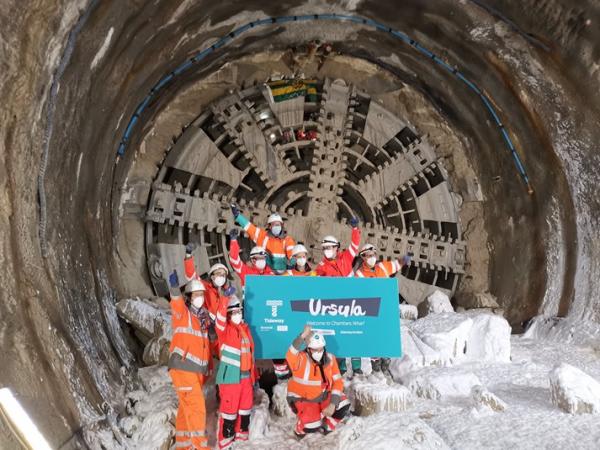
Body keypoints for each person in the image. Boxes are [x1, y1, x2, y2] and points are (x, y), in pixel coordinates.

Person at [167, 271, 215, 450]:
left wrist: (208, 369)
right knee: (196, 407)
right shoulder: (184, 314)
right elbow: (176, 303)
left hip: (194, 372)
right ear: (188, 297)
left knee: (186, 408)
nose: (200, 298)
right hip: (183, 368)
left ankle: (184, 445)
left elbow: (204, 349)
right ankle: (200, 447)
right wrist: (174, 288)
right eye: (196, 295)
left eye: (202, 294)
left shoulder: (202, 320)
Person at [286, 324, 350, 438]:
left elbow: (338, 382)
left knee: (342, 404)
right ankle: (299, 430)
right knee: (312, 425)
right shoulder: (300, 359)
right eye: (315, 350)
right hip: (302, 399)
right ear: (308, 349)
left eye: (321, 349)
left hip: (323, 395)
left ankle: (327, 426)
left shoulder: (330, 358)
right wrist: (303, 336)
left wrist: (332, 404)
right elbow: (290, 354)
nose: (318, 352)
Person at [315, 217, 362, 374]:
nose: (327, 250)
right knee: (340, 335)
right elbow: (314, 282)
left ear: (336, 248)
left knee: (355, 334)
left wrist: (355, 229)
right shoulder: (322, 266)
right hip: (336, 307)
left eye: (330, 247)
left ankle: (357, 368)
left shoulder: (346, 257)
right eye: (325, 248)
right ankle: (341, 367)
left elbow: (355, 246)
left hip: (352, 302)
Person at [355, 243, 411, 373]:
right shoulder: (359, 274)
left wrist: (407, 257)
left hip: (385, 310)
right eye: (368, 255)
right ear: (363, 257)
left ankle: (386, 365)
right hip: (371, 311)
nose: (372, 257)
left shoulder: (382, 267)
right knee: (374, 338)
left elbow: (396, 265)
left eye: (373, 254)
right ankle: (376, 366)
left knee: (385, 337)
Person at [214, 293, 256, 449]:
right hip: (231, 378)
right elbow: (218, 320)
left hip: (246, 378)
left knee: (245, 408)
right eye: (234, 312)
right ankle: (225, 441)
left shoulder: (245, 329)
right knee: (229, 411)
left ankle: (241, 437)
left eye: (239, 311)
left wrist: (253, 376)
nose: (237, 314)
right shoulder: (224, 331)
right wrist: (224, 300)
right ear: (228, 314)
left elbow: (250, 355)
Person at [230, 204, 296, 273]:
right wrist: (238, 216)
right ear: (269, 226)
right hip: (267, 273)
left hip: (282, 273)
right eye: (274, 224)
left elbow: (293, 255)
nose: (277, 227)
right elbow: (250, 228)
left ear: (281, 225)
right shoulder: (262, 236)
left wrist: (292, 261)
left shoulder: (288, 240)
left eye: (278, 224)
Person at [184, 243, 231, 322]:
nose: (222, 277)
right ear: (212, 277)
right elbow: (191, 275)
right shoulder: (204, 286)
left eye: (223, 275)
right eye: (219, 274)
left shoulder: (227, 293)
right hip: (205, 321)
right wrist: (188, 255)